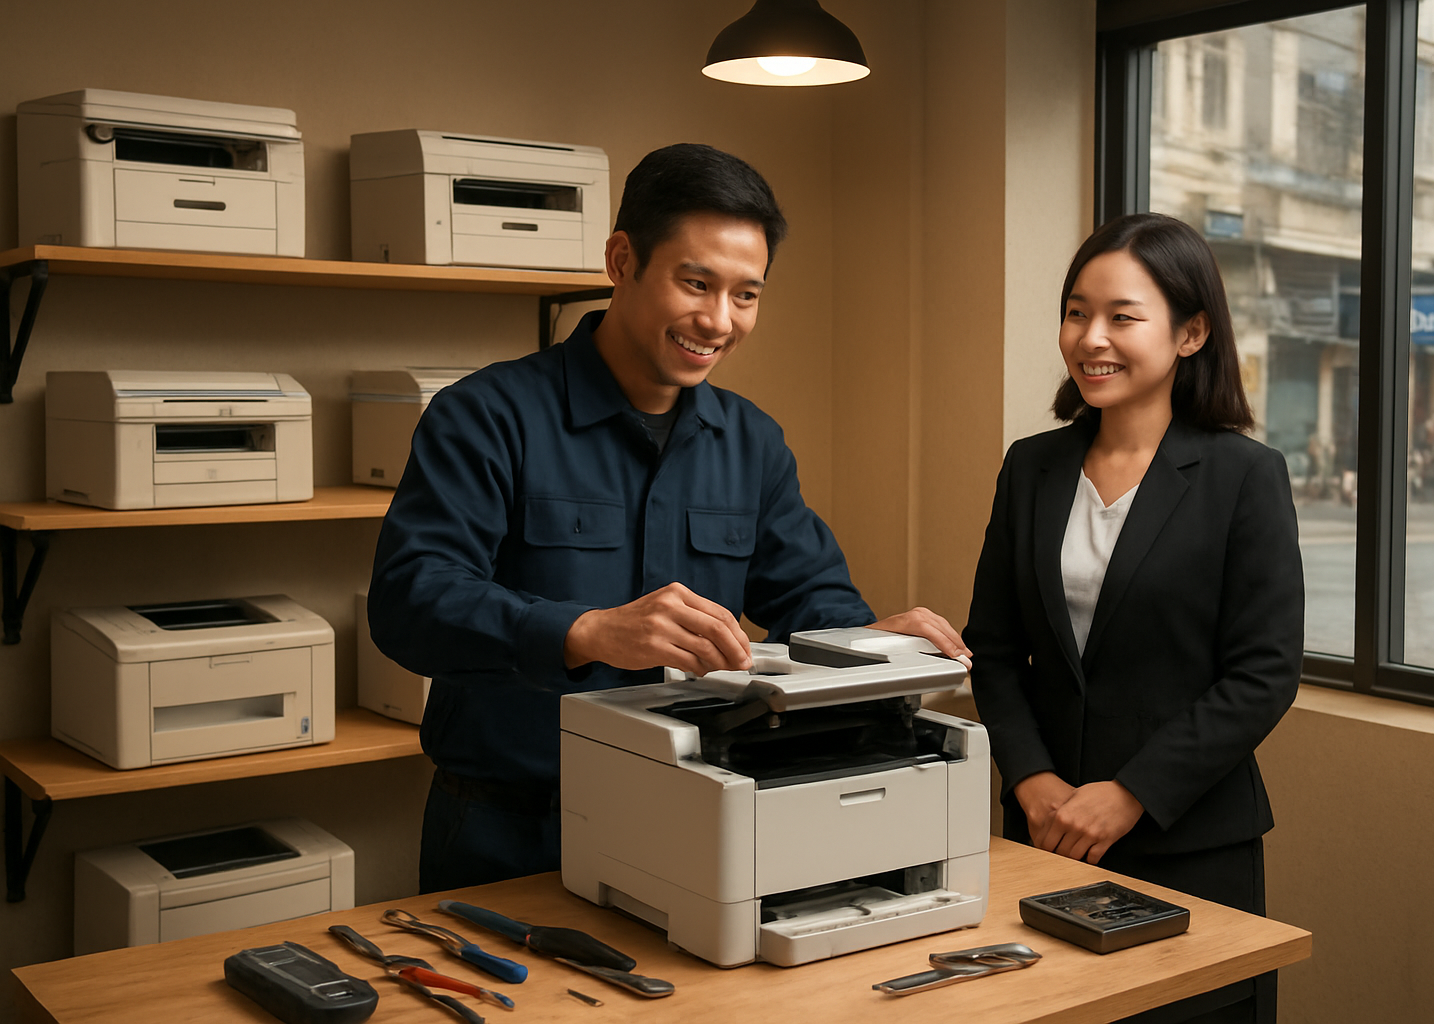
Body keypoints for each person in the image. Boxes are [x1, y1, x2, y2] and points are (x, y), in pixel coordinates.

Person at [370, 142, 969, 893]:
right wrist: (586, 631)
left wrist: (868, 643)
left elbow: (809, 599)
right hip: (509, 834)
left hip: (698, 821)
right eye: (696, 283)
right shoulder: (486, 415)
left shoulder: (752, 442)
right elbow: (411, 601)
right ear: (622, 260)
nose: (719, 321)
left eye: (746, 295)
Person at [964, 213, 1303, 1024]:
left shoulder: (1243, 476)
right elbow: (995, 649)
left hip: (1187, 844)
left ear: (1191, 333)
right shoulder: (1031, 467)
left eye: (1123, 316)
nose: (1091, 338)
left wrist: (1131, 794)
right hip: (1043, 839)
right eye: (1077, 312)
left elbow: (1262, 674)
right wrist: (1033, 780)